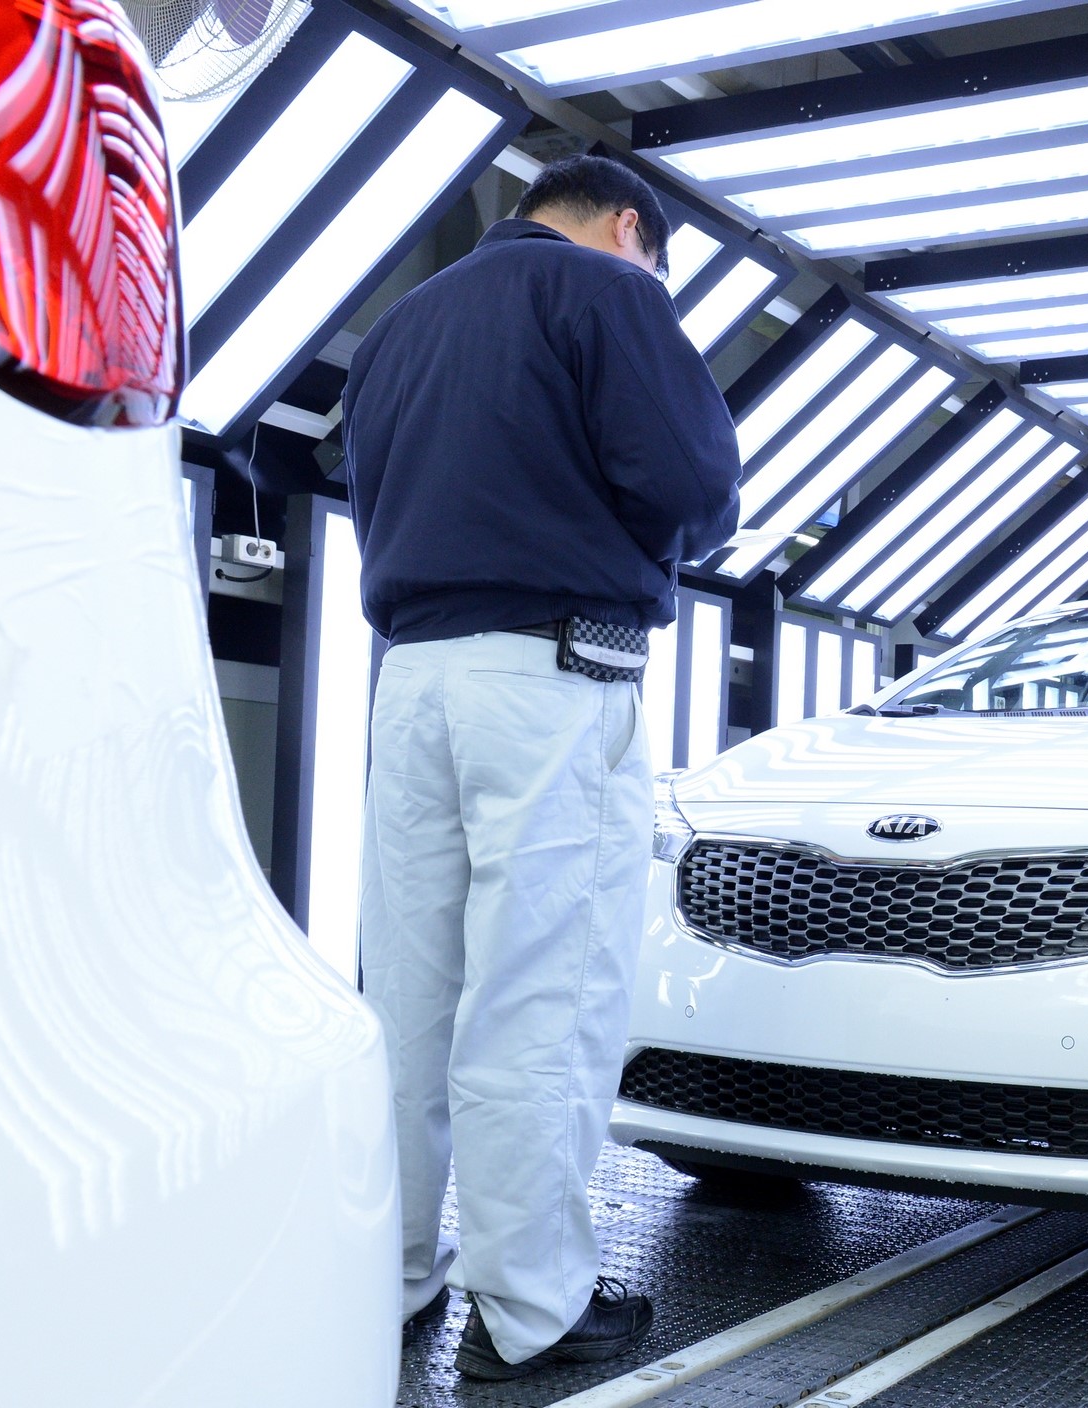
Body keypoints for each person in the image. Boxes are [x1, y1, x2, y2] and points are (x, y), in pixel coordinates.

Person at [340, 154, 741, 1381]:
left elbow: (361, 492)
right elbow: (692, 482)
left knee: (405, 996)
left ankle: (388, 1274)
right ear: (627, 226)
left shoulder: (397, 329)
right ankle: (533, 1310)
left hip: (410, 679)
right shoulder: (608, 294)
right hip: (554, 679)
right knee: (543, 998)